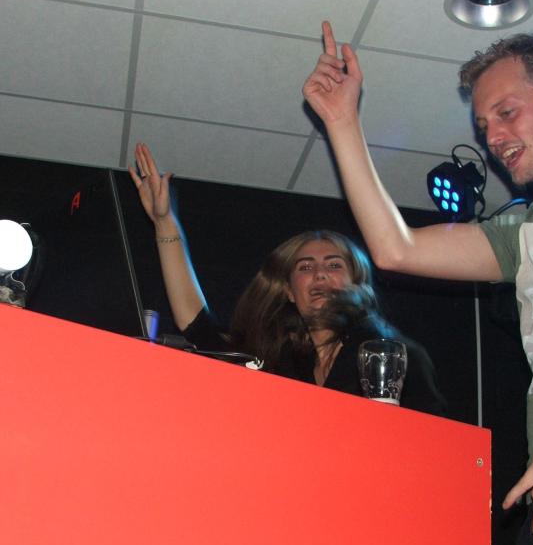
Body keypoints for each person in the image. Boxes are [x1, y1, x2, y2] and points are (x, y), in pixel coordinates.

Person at [303, 22, 533, 545]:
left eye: (507, 113)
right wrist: (342, 122)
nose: (494, 137)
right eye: (483, 127)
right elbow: (395, 249)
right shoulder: (522, 230)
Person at [128, 143, 446, 416]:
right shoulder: (283, 366)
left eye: (334, 265)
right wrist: (165, 224)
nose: (320, 273)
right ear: (290, 292)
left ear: (357, 283)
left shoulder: (394, 358)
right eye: (305, 267)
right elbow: (199, 328)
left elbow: (434, 443)